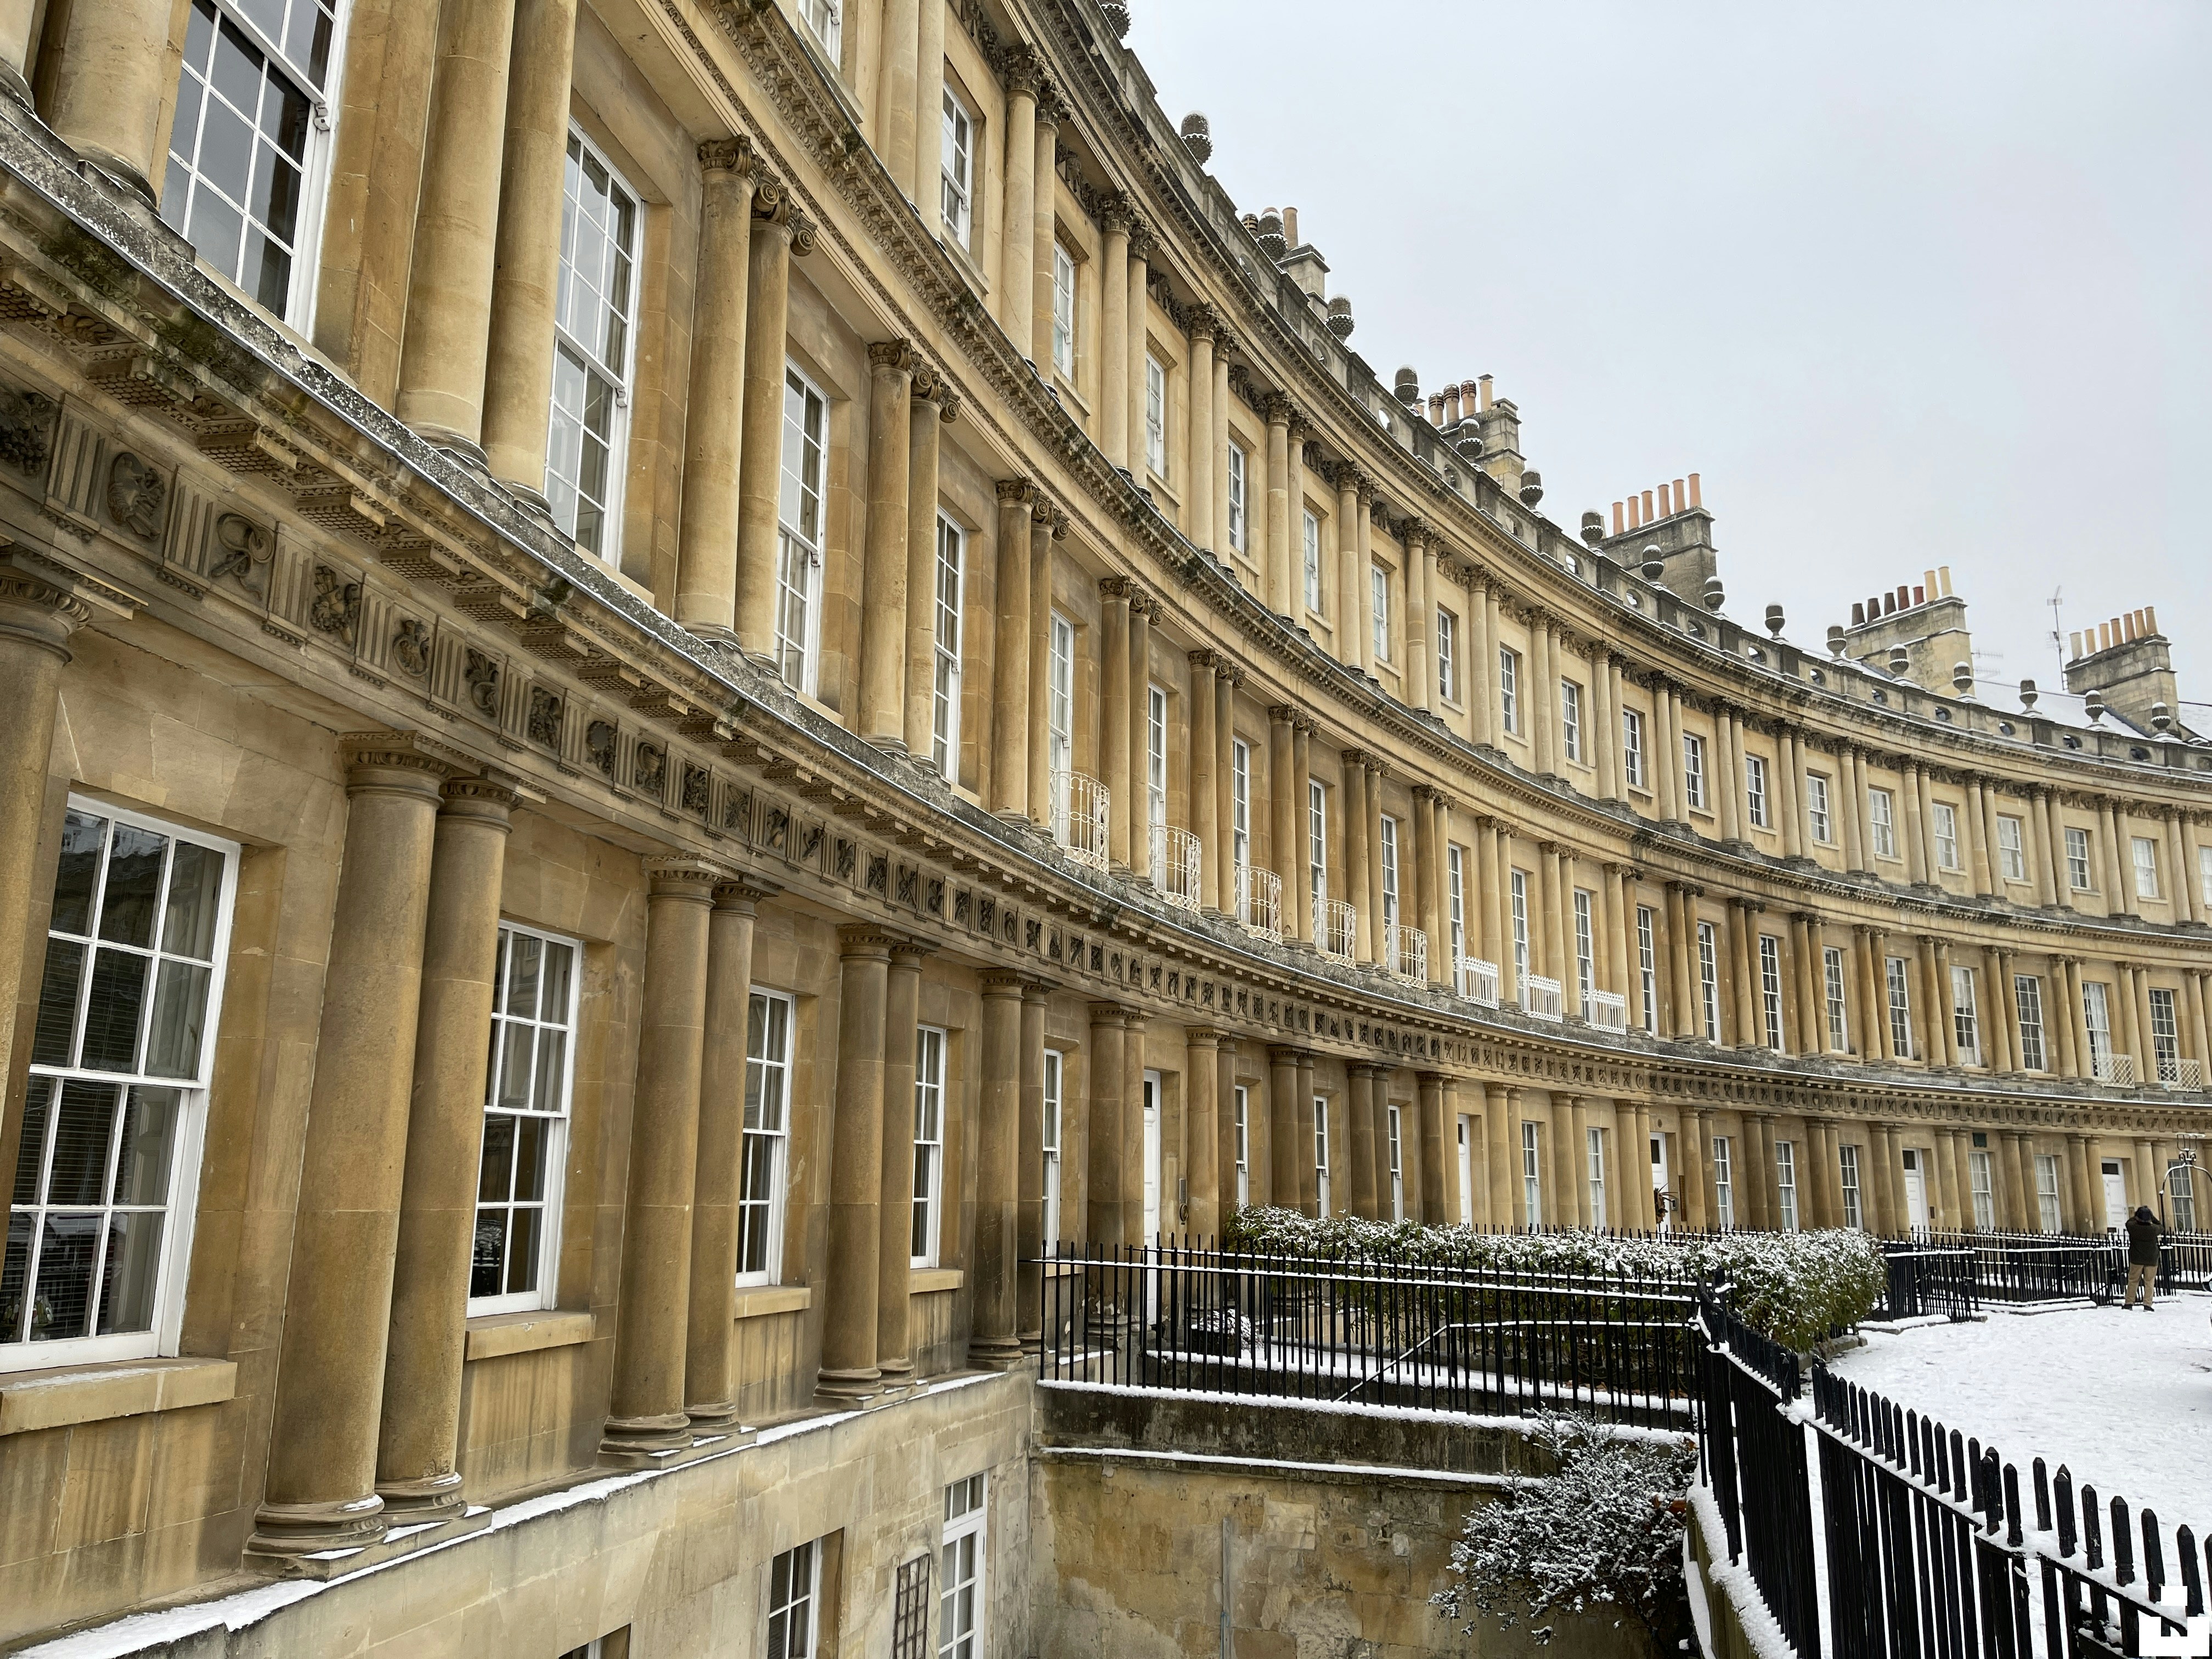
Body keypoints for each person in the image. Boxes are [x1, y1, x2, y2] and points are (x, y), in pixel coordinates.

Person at [2122, 1205, 2166, 1310]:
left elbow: (2128, 1222)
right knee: (2150, 1282)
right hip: (2151, 1259)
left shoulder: (2133, 1227)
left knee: (2133, 1280)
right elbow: (2161, 1226)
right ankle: (2147, 1304)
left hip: (2136, 1259)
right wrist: (2152, 1217)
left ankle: (2129, 1302)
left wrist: (2136, 1215)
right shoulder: (2153, 1229)